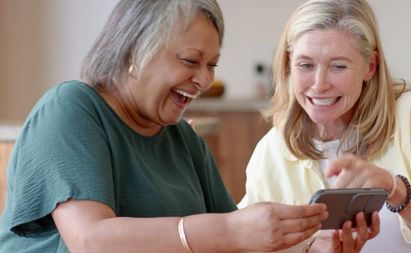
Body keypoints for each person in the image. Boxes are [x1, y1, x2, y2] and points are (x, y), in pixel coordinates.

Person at [0, 1, 335, 252]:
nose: (204, 79)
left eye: (212, 65)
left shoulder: (184, 140)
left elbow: (236, 244)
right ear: (134, 51)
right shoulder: (72, 108)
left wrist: (307, 246)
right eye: (190, 61)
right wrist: (231, 230)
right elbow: (90, 240)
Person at [238, 0, 411, 252]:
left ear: (370, 66)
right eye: (306, 65)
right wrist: (307, 247)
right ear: (289, 64)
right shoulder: (273, 150)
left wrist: (395, 189)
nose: (319, 84)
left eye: (339, 66)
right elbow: (246, 242)